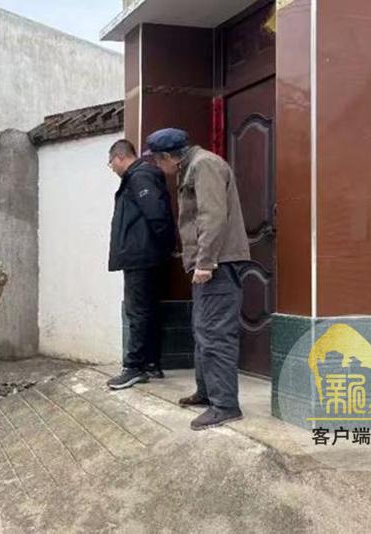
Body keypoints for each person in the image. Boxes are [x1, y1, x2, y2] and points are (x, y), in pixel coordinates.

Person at [146, 128, 251, 430]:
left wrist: (205, 261)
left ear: (168, 156)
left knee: (215, 334)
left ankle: (225, 405)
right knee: (203, 330)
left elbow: (211, 215)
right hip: (210, 264)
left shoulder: (204, 165)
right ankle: (207, 393)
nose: (157, 167)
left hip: (217, 264)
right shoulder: (192, 165)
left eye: (157, 160)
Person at [105, 139, 175, 390]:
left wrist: (164, 246)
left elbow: (157, 214)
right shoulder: (140, 176)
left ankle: (133, 367)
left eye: (111, 163)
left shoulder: (139, 177)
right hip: (147, 254)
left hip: (141, 256)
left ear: (120, 157)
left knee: (137, 311)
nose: (112, 168)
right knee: (149, 309)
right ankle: (151, 363)